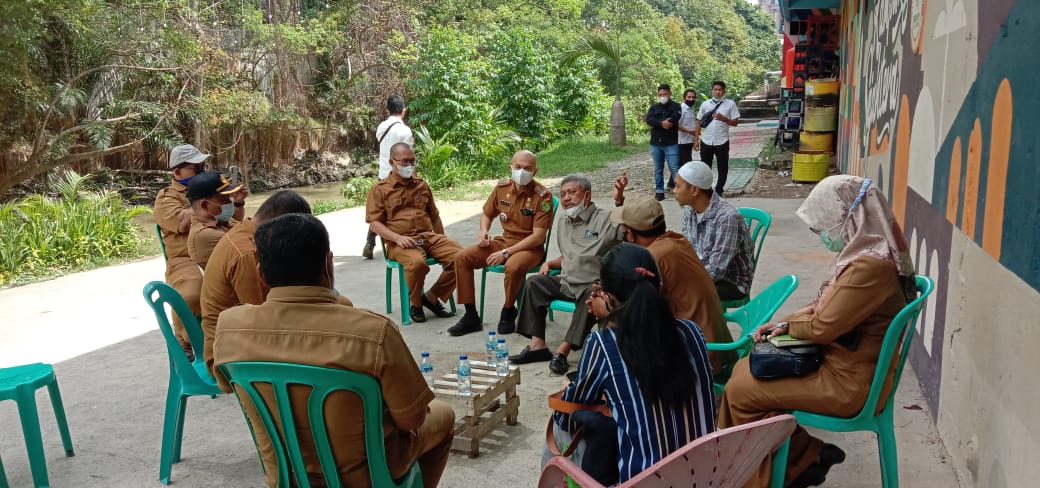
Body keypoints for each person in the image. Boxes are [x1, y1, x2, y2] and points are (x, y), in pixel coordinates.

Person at [212, 213, 455, 488]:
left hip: (286, 475)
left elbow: (226, 385)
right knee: (442, 414)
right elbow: (412, 418)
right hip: (367, 477)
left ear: (261, 275)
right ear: (329, 264)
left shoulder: (229, 327)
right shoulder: (374, 332)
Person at [718, 175, 917, 488]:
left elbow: (823, 326)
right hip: (842, 365)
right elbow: (823, 308)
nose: (823, 235)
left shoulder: (870, 267)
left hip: (850, 383)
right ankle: (801, 459)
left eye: (823, 226)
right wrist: (785, 324)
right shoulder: (864, 257)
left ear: (848, 218)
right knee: (745, 372)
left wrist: (788, 326)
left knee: (742, 392)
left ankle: (772, 471)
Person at [549, 243, 716, 485]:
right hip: (708, 476)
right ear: (658, 285)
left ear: (608, 295)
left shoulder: (604, 343)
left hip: (644, 481)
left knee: (563, 424)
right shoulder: (692, 332)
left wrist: (607, 322)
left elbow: (568, 415)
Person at [607, 192, 735, 375]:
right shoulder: (676, 241)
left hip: (697, 350)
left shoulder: (652, 257)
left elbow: (638, 310)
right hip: (710, 340)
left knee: (615, 324)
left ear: (630, 234)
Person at [508, 174, 623, 375]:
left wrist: (619, 200)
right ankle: (538, 346)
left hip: (593, 284)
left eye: (571, 192)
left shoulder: (605, 219)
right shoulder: (563, 221)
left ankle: (563, 351)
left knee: (592, 294)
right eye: (562, 194)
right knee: (534, 283)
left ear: (587, 196)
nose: (566, 198)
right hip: (567, 282)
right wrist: (550, 263)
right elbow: (569, 255)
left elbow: (626, 229)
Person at [200, 189, 312, 375]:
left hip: (242, 335)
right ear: (283, 225)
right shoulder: (248, 253)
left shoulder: (245, 230)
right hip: (228, 355)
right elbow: (263, 317)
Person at [448, 150, 554, 337]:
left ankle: (508, 310)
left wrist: (506, 253)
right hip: (504, 241)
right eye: (518, 167)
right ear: (510, 168)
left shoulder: (543, 196)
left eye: (527, 168)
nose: (522, 171)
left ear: (535, 171)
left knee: (513, 266)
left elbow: (538, 237)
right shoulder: (501, 188)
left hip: (529, 247)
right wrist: (484, 232)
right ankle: (471, 315)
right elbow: (487, 214)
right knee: (462, 257)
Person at [366, 142, 460, 323]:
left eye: (412, 161)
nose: (409, 165)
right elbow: (374, 223)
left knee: (462, 257)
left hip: (427, 237)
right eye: (404, 162)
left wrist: (441, 238)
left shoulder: (421, 185)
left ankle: (432, 297)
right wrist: (397, 238)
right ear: (392, 162)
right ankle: (416, 303)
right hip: (399, 242)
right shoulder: (380, 190)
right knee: (417, 263)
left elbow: (434, 217)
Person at [154, 144, 209, 359]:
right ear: (178, 172)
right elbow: (184, 221)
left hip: (215, 251)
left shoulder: (209, 189)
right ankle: (183, 340)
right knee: (190, 296)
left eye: (203, 167)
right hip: (185, 259)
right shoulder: (166, 198)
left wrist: (235, 200)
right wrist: (206, 201)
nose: (202, 172)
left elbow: (234, 218)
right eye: (196, 169)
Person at [676, 161, 754, 302]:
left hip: (731, 282)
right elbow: (687, 250)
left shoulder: (727, 218)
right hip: (702, 272)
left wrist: (684, 280)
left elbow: (716, 270)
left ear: (694, 190)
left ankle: (697, 324)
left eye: (678, 186)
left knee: (679, 294)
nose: (674, 190)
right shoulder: (690, 210)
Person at [363, 94, 415, 260]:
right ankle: (398, 242)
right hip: (399, 175)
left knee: (379, 211)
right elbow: (408, 156)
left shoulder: (381, 127)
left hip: (383, 175)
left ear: (388, 109)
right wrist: (414, 177)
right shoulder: (404, 130)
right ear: (404, 111)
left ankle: (371, 242)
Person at [186, 172, 247, 269]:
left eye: (229, 199)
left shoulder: (220, 220)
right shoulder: (205, 235)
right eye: (224, 200)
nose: (229, 203)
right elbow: (252, 244)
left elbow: (239, 224)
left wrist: (238, 203)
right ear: (205, 205)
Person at [693, 80, 740, 195]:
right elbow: (698, 121)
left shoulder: (730, 104)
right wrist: (696, 140)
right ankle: (706, 189)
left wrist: (725, 119)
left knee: (722, 167)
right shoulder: (705, 104)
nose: (718, 92)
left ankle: (719, 190)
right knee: (705, 167)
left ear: (724, 91)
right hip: (706, 140)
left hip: (722, 140)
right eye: (715, 89)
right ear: (712, 90)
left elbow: (735, 122)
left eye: (720, 90)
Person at [645, 83, 682, 201]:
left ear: (670, 93)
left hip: (671, 143)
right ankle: (659, 191)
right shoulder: (654, 107)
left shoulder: (676, 106)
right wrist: (661, 123)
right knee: (658, 169)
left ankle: (680, 191)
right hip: (656, 143)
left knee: (675, 168)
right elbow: (649, 119)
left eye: (665, 94)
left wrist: (658, 123)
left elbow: (674, 119)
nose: (662, 96)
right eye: (660, 94)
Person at [677, 88, 700, 166]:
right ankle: (675, 178)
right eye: (689, 97)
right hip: (682, 142)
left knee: (681, 165)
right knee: (687, 165)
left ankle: (674, 178)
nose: (691, 99)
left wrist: (696, 139)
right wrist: (689, 131)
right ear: (684, 98)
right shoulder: (681, 109)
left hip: (689, 141)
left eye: (693, 97)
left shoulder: (691, 109)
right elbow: (676, 125)